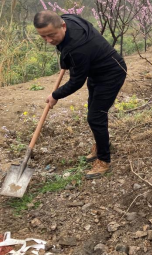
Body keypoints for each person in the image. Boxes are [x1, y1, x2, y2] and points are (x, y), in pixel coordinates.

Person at [34, 10, 127, 179]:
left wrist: (55, 95)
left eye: (51, 35)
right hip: (96, 70)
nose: (48, 41)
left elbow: (76, 82)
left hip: (111, 73)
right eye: (43, 37)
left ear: (63, 26)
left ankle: (104, 160)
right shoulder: (69, 19)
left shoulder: (78, 48)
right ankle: (101, 145)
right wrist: (65, 56)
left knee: (95, 116)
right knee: (94, 111)